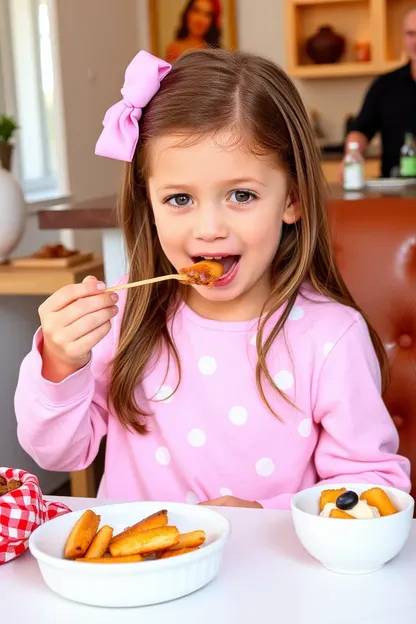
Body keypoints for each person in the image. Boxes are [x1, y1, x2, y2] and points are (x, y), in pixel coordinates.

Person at [14, 48, 411, 509]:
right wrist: (60, 361)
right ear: (149, 203)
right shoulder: (122, 319)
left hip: (267, 578)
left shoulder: (330, 337)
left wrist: (266, 519)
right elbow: (59, 452)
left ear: (292, 200)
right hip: (134, 577)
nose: (209, 228)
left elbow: (371, 488)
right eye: (179, 199)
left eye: (241, 194)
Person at [344, 6, 416, 178]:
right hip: (396, 188)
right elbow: (361, 129)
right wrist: (352, 155)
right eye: (411, 34)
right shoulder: (385, 85)